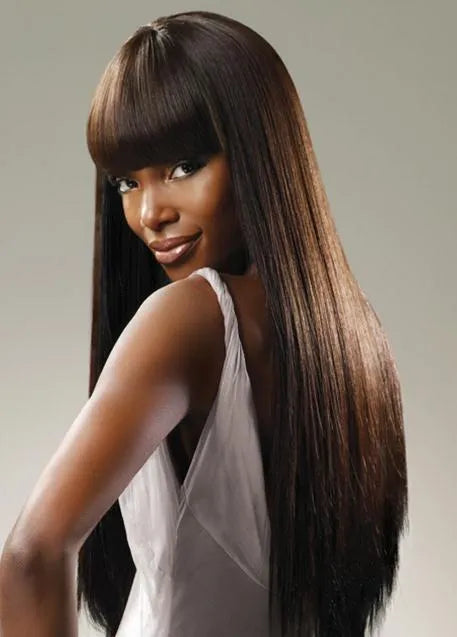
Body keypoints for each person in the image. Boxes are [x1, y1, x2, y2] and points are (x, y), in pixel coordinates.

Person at [0, 10, 408, 637]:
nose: (149, 212)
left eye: (184, 166)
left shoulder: (189, 317)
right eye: (126, 182)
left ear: (259, 153)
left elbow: (30, 559)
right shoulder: (357, 338)